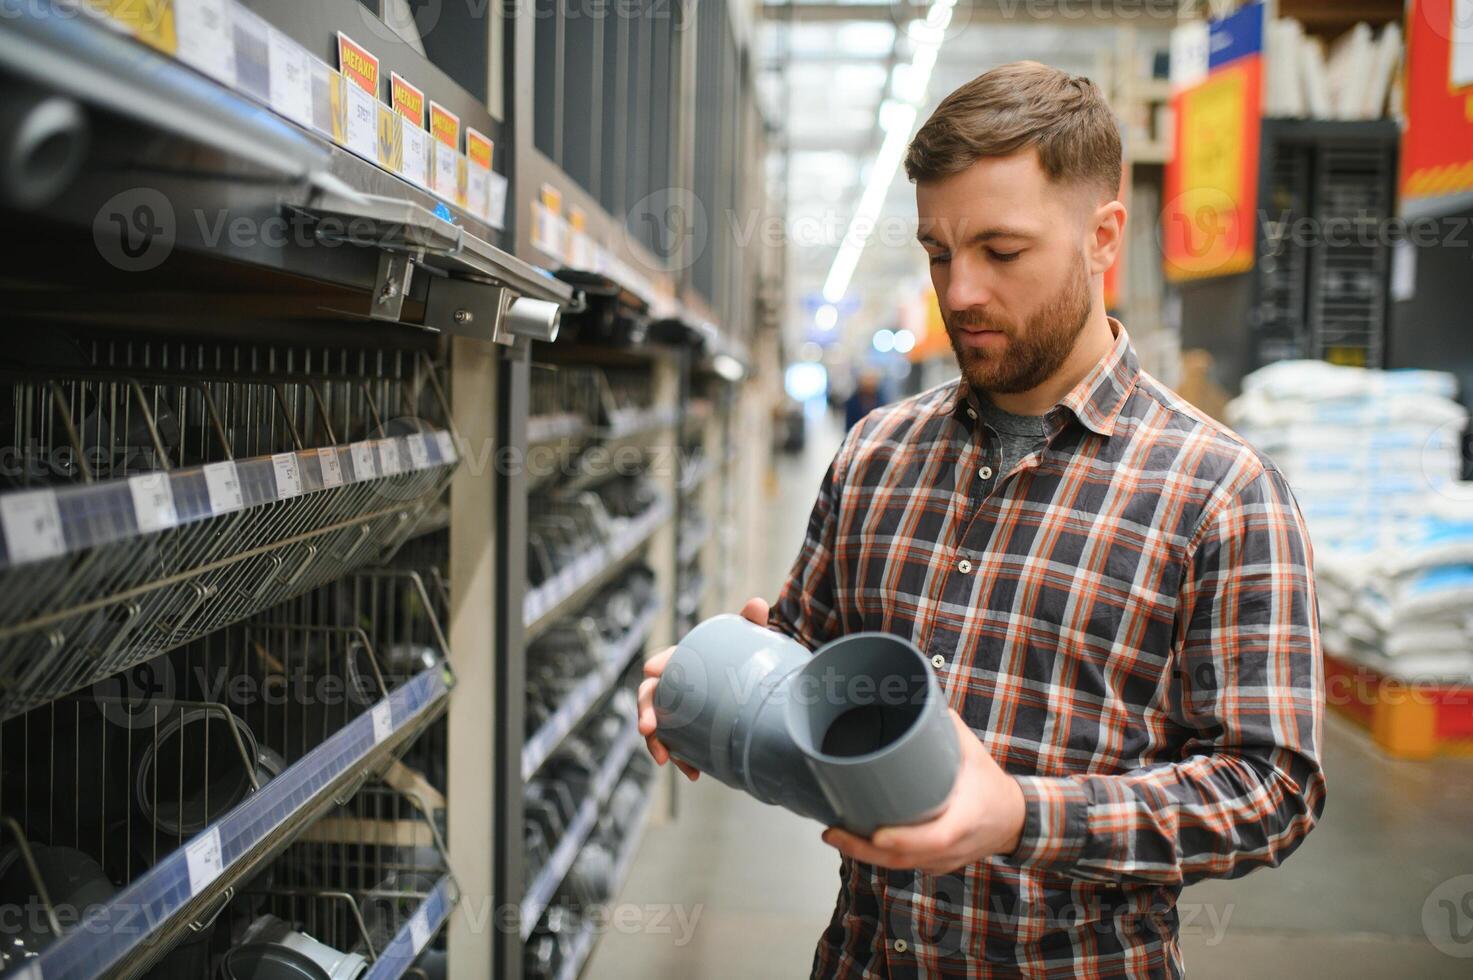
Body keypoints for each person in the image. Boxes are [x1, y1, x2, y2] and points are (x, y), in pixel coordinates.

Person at [639, 61, 1325, 978]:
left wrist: (1025, 817)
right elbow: (810, 662)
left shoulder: (1219, 492)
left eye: (1000, 252)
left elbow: (1270, 788)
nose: (958, 292)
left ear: (1102, 238)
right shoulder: (877, 455)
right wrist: (726, 691)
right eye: (936, 253)